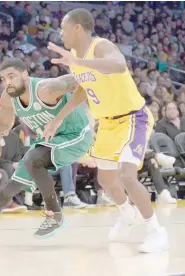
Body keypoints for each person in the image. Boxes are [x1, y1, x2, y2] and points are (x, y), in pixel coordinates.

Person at [42, 8, 168, 253]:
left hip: (133, 118)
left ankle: (156, 231)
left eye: (63, 27)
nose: (60, 32)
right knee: (105, 179)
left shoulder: (100, 46)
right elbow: (82, 90)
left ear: (77, 27)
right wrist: (58, 119)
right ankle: (127, 214)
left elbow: (119, 66)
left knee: (128, 176)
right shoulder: (76, 56)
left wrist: (78, 62)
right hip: (108, 123)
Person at [0, 57, 92, 245]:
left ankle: (54, 214)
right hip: (48, 142)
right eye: (3, 79)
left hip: (76, 135)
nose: (7, 82)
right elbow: (3, 124)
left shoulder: (46, 88)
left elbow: (83, 81)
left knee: (33, 158)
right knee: (11, 187)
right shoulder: (8, 97)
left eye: (12, 76)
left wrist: (58, 119)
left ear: (25, 75)